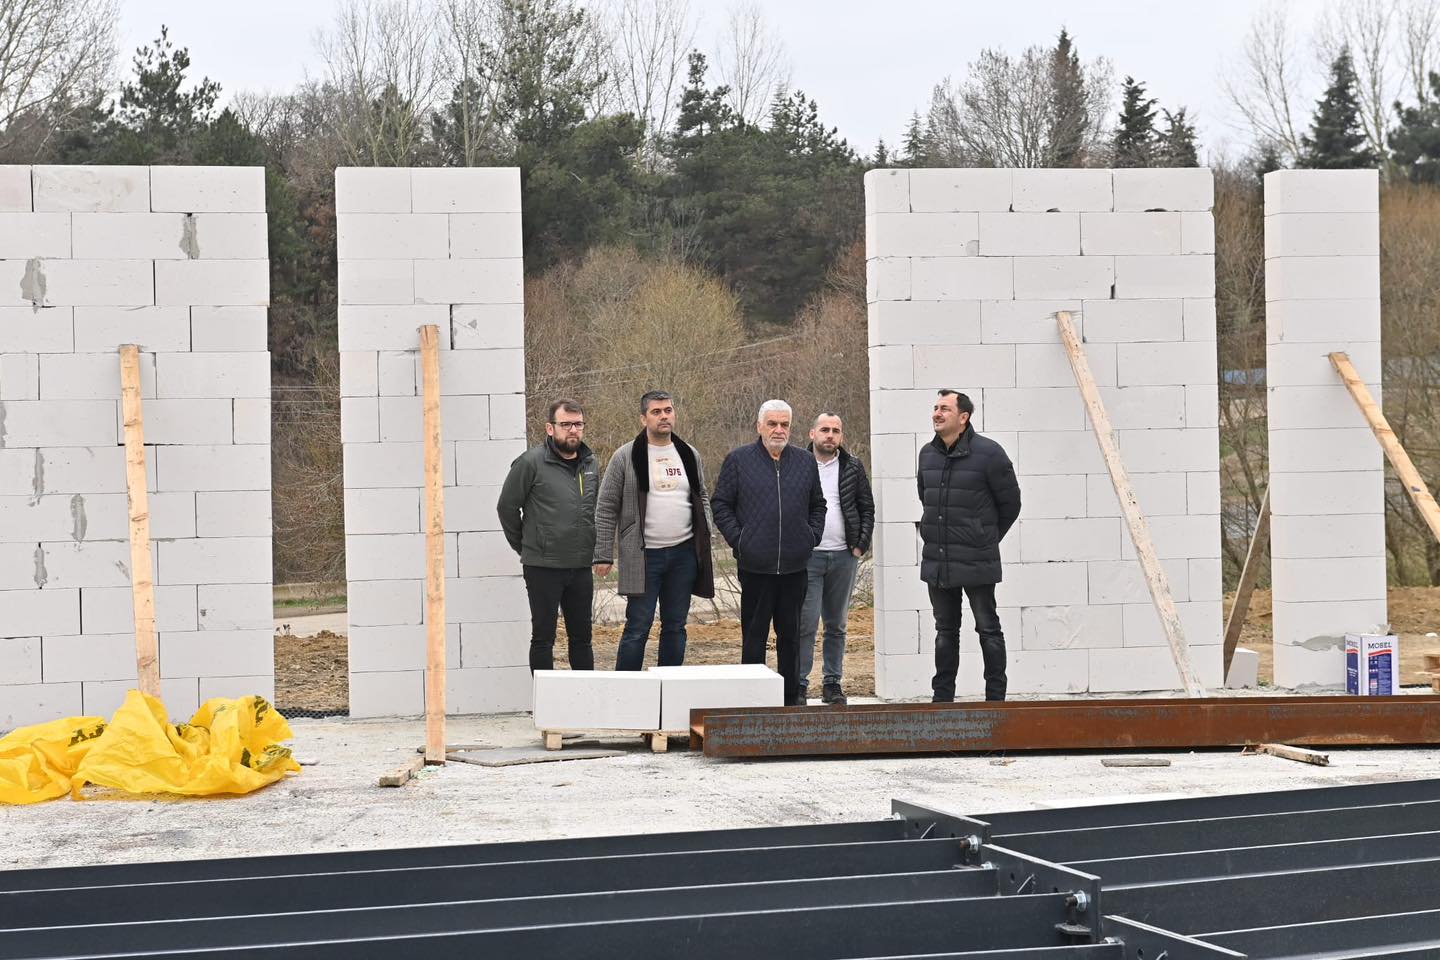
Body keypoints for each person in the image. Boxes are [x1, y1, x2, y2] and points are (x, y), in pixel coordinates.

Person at [711, 399, 826, 706]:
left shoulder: (805, 461)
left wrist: (810, 537)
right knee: (754, 636)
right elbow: (721, 504)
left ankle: (791, 700)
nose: (778, 430)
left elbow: (818, 505)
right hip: (755, 567)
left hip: (794, 567)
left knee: (791, 637)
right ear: (759, 426)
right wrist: (741, 540)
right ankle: (753, 701)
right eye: (772, 424)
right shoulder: (738, 460)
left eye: (784, 424)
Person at [593, 390, 715, 669]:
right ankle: (628, 688)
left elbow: (702, 495)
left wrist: (706, 531)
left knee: (676, 626)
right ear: (643, 418)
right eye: (656, 412)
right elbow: (606, 505)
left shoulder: (688, 454)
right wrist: (602, 553)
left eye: (668, 410)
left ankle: (668, 685)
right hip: (644, 556)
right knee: (638, 626)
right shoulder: (625, 456)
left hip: (684, 555)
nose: (664, 416)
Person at [917, 389, 1021, 702]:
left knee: (988, 628)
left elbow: (1011, 504)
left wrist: (983, 538)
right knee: (945, 632)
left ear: (964, 417)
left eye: (945, 409)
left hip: (977, 559)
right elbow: (926, 498)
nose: (937, 413)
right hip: (938, 560)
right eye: (935, 407)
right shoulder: (927, 454)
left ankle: (995, 700)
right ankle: (942, 699)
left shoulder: (989, 453)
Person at [497, 398, 599, 673]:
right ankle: (544, 698)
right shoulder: (530, 463)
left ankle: (584, 696)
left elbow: (593, 511)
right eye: (566, 424)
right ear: (550, 428)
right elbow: (506, 507)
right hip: (543, 566)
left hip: (580, 566)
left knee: (582, 639)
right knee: (543, 638)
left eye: (578, 424)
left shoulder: (591, 464)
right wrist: (526, 546)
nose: (573, 430)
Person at [798, 413, 874, 705]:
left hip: (844, 555)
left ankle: (832, 684)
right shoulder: (798, 464)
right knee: (806, 624)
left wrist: (860, 545)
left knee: (837, 625)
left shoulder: (852, 466)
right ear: (812, 433)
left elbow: (866, 507)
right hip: (808, 558)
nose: (830, 435)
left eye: (836, 430)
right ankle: (799, 684)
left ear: (841, 436)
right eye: (825, 430)